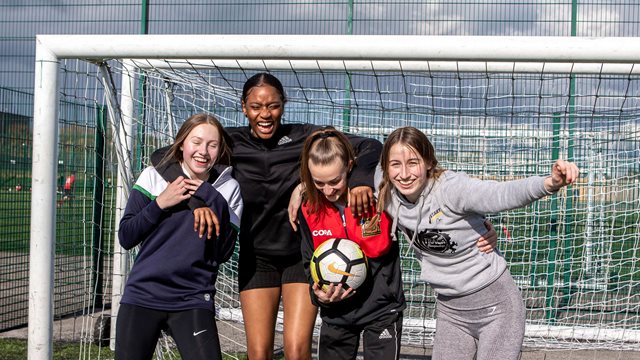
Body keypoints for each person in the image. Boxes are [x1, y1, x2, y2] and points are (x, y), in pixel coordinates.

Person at [150, 73, 383, 360]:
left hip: (299, 257)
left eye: (272, 105)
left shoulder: (303, 136)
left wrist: (360, 181)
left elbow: (370, 145)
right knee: (259, 354)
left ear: (283, 105)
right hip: (256, 259)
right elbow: (164, 155)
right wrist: (196, 200)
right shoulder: (229, 142)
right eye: (256, 106)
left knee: (297, 351)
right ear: (244, 107)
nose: (265, 114)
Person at [376, 126, 580, 360]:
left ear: (429, 162)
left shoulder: (451, 189)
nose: (404, 173)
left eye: (413, 162)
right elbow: (358, 150)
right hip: (450, 312)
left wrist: (549, 184)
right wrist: (359, 184)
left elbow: (500, 193)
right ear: (385, 168)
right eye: (395, 164)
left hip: (497, 309)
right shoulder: (385, 191)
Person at [116, 113, 243, 360]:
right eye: (196, 142)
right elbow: (126, 236)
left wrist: (211, 199)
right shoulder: (153, 177)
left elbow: (223, 252)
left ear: (220, 150)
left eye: (212, 145)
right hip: (143, 294)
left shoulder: (228, 189)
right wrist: (160, 203)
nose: (203, 151)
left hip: (192, 298)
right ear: (182, 143)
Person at [297, 127, 405, 360]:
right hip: (337, 312)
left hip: (382, 308)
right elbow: (309, 263)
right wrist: (319, 296)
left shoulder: (379, 193)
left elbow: (376, 147)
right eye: (319, 183)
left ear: (349, 166)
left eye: (334, 181)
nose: (328, 190)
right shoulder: (307, 208)